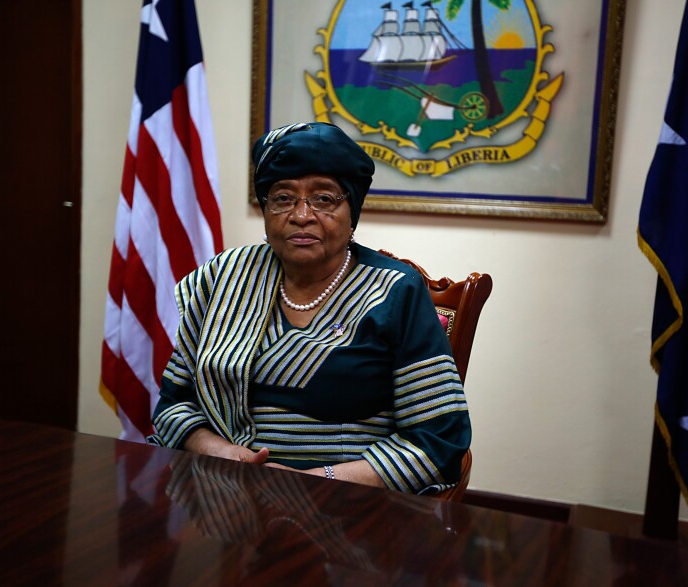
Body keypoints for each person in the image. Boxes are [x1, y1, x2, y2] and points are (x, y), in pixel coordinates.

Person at [148, 121, 471, 495]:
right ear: (266, 209)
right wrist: (224, 454)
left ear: (353, 210)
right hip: (224, 496)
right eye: (283, 198)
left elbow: (438, 440)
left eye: (324, 199)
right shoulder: (222, 277)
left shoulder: (395, 291)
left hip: (347, 508)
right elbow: (174, 404)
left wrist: (316, 483)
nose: (302, 215)